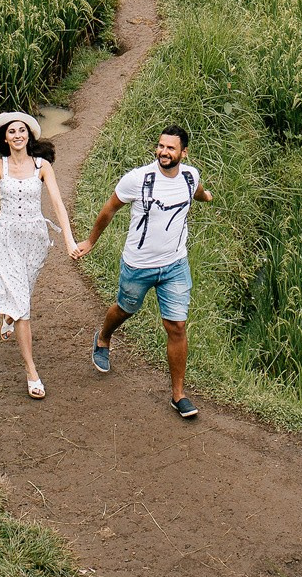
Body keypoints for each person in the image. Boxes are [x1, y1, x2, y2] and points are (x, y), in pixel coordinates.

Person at [72, 124, 211, 420]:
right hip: (139, 265)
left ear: (184, 153)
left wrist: (206, 197)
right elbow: (109, 209)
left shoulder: (190, 176)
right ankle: (103, 338)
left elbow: (197, 192)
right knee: (125, 309)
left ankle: (178, 395)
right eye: (161, 146)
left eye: (170, 148)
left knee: (177, 326)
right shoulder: (138, 179)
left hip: (175, 265)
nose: (163, 152)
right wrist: (90, 241)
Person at [0, 110, 74, 399]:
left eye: (22, 130)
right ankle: (32, 372)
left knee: (23, 296)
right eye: (11, 131)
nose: (18, 135)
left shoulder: (42, 166)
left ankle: (8, 316)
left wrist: (69, 240)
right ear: (5, 139)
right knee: (23, 306)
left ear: (29, 135)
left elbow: (57, 203)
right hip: (6, 239)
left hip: (34, 240)